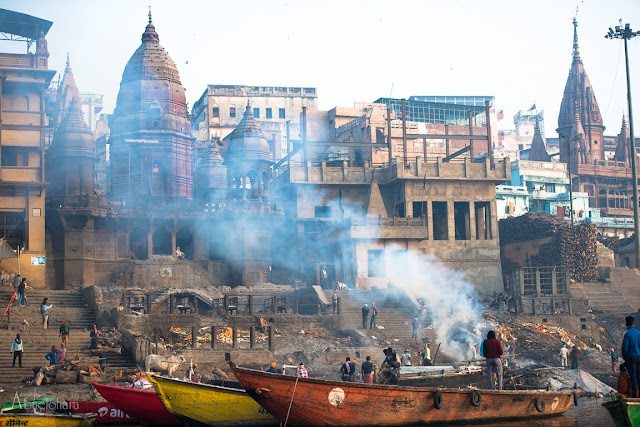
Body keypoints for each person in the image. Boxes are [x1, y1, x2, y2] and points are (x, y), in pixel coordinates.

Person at [622, 315, 640, 398]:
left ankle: (634, 396)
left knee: (633, 377)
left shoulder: (627, 334)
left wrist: (625, 359)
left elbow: (624, 349)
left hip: (631, 358)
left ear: (626, 324)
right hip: (639, 358)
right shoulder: (638, 333)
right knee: (639, 377)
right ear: (633, 323)